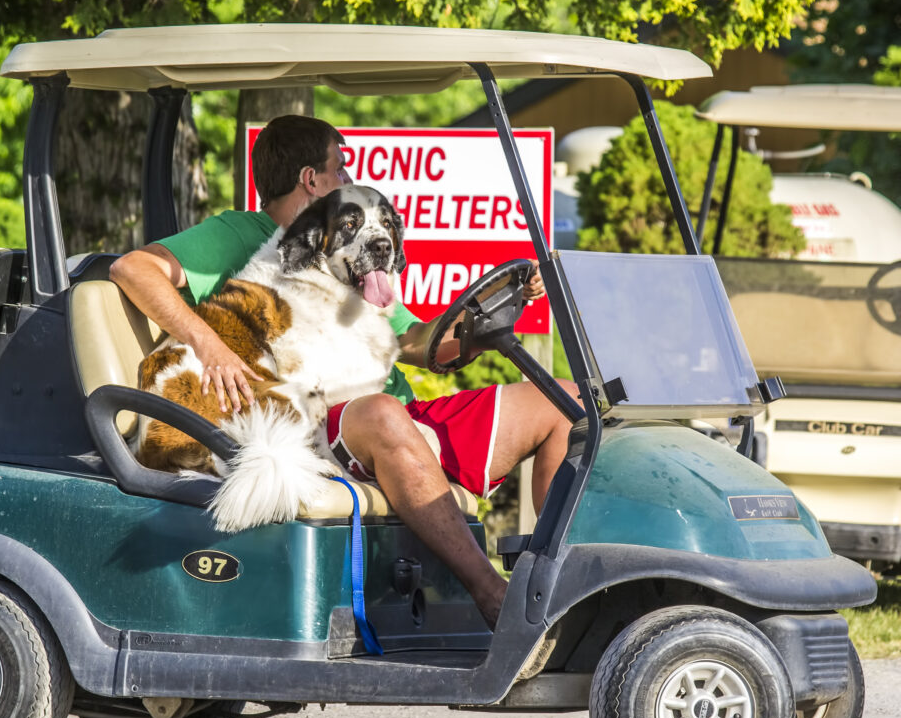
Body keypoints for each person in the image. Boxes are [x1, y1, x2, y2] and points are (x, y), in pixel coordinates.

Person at [110, 115, 577, 629]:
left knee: (563, 402)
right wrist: (210, 343)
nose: (348, 178)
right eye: (341, 167)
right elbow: (132, 268)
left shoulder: (359, 258)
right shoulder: (240, 235)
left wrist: (484, 315)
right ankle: (494, 598)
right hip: (332, 419)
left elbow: (416, 343)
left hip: (395, 415)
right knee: (382, 415)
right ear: (312, 179)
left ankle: (562, 591)